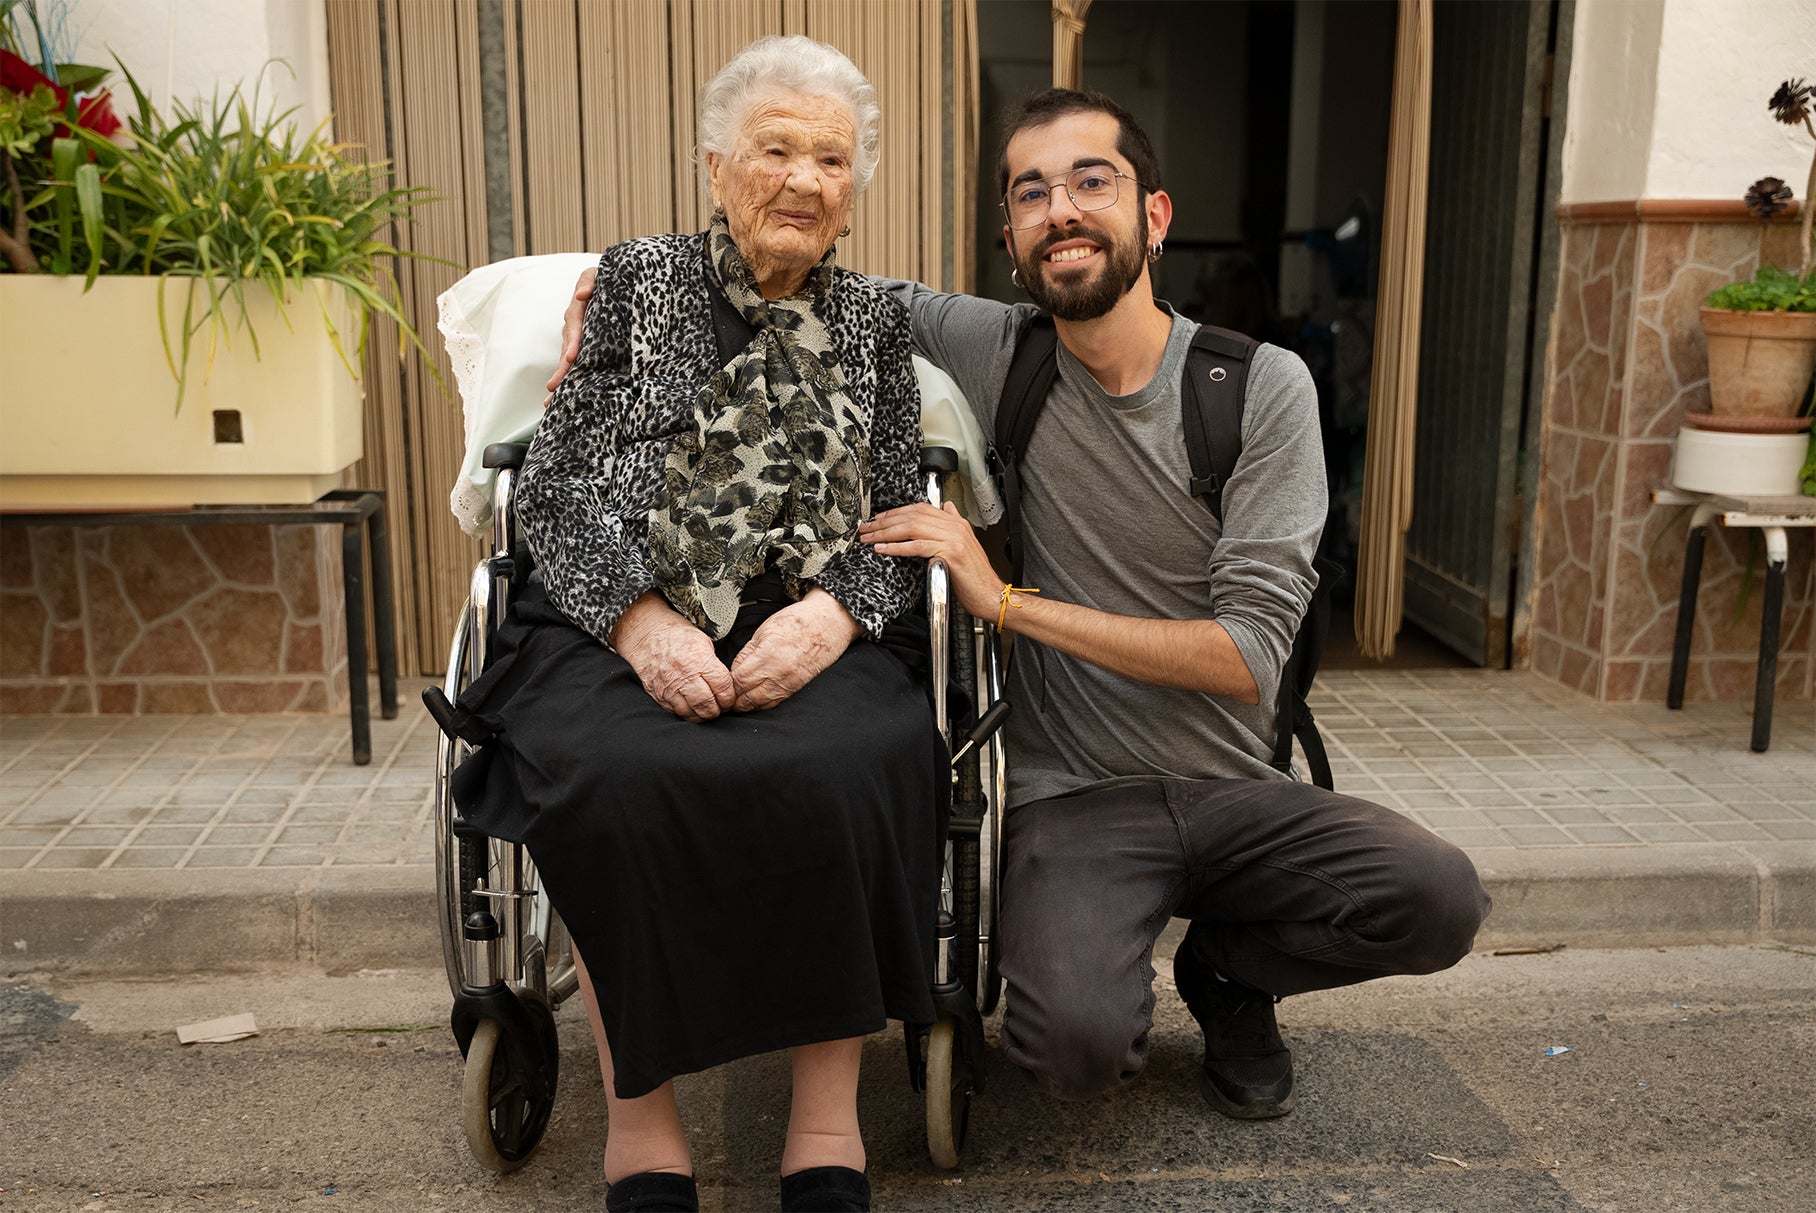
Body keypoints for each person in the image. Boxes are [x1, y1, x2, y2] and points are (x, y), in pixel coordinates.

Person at [554, 89, 1489, 1128]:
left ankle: (1230, 972)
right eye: (1032, 194)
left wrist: (1003, 601)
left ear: (1155, 215)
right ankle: (1116, 957)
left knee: (1439, 897)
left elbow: (1246, 658)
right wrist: (603, 294)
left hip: (1237, 784)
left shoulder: (1258, 388)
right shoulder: (1003, 350)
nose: (1062, 211)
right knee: (1073, 1050)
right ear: (1011, 240)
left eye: (1092, 181)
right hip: (1074, 797)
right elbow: (796, 261)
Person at [457, 37, 940, 1213]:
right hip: (620, 603)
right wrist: (640, 624)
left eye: (832, 159)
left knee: (850, 765)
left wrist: (831, 618)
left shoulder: (876, 321)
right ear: (716, 166)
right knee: (612, 777)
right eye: (776, 150)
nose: (805, 179)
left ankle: (824, 1123)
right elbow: (556, 485)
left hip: (810, 607)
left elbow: (895, 506)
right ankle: (641, 1126)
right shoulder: (638, 282)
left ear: (854, 187)